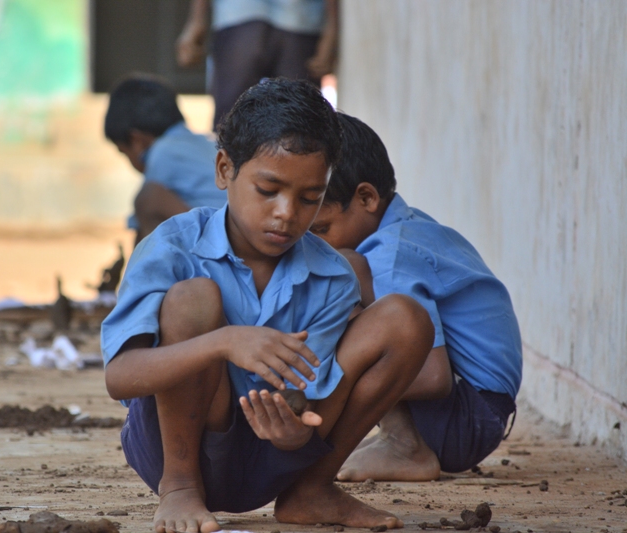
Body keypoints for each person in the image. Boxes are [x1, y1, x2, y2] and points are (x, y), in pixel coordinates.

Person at [101, 78, 435, 533]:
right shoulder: (173, 248)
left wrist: (296, 430)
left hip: (272, 457)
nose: (286, 212)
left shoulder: (332, 276)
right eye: (268, 190)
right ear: (224, 171)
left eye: (309, 198)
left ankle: (311, 491)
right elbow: (119, 377)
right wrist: (223, 343)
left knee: (405, 318)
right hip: (171, 451)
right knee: (194, 298)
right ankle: (180, 489)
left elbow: (302, 396)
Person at [309, 113, 523, 481]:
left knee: (341, 271)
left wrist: (328, 389)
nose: (315, 243)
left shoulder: (389, 258)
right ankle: (396, 439)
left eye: (322, 229)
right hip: (477, 410)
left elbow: (432, 377)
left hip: (466, 418)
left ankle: (405, 445)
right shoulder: (407, 228)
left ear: (366, 197)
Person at [176, 0, 338, 129]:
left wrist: (196, 19)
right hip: (298, 16)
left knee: (230, 125)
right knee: (300, 126)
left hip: (242, 14)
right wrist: (332, 24)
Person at [105, 74, 227, 243]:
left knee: (148, 199)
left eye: (123, 152)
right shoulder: (207, 142)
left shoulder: (163, 152)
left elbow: (140, 227)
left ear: (136, 141)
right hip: (244, 241)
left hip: (226, 250)